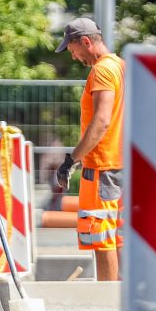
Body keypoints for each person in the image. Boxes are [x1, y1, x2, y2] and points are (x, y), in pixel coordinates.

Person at [54, 17, 125, 281]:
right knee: (119, 237)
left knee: (102, 235)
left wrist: (72, 158)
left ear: (85, 42)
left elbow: (102, 120)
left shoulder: (103, 71)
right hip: (123, 164)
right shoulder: (122, 67)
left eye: (72, 49)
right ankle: (122, 300)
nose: (73, 56)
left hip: (103, 166)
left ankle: (109, 304)